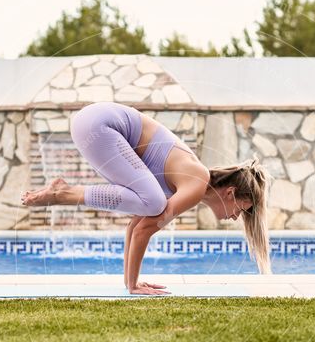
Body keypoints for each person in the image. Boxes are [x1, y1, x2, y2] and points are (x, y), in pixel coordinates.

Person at [21, 101, 271, 295]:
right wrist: (134, 285)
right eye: (242, 209)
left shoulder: (186, 180)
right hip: (100, 125)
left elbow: (135, 226)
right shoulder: (197, 182)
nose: (237, 216)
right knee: (154, 202)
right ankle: (64, 193)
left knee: (151, 202)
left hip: (91, 122)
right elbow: (144, 232)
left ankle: (64, 192)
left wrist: (131, 282)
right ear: (230, 193)